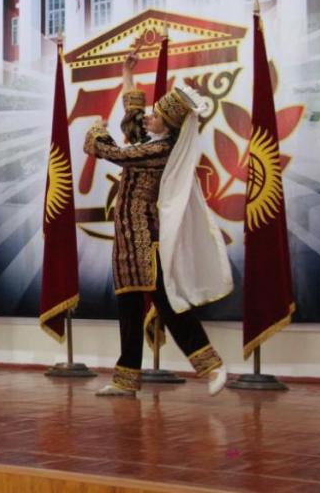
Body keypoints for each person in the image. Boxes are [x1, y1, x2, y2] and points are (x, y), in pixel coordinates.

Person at [83, 51, 233, 397]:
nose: (149, 117)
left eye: (156, 116)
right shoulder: (150, 139)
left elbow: (116, 154)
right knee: (129, 307)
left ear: (168, 126)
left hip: (145, 238)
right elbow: (132, 116)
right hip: (127, 237)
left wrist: (96, 133)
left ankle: (212, 365)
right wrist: (127, 74)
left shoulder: (161, 150)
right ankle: (125, 379)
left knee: (166, 303)